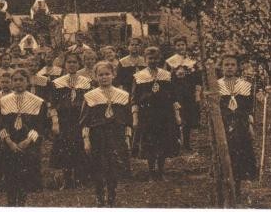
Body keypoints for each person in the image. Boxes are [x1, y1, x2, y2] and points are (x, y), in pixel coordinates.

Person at [80, 61, 132, 207]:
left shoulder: (123, 95)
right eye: (100, 75)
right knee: (98, 166)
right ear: (95, 77)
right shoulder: (90, 96)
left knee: (113, 166)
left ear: (113, 75)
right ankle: (99, 196)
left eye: (107, 74)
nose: (104, 77)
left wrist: (127, 138)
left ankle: (112, 195)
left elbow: (128, 120)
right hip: (98, 136)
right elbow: (84, 121)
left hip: (116, 135)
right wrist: (86, 140)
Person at [0, 68, 48, 206]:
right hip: (9, 144)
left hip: (28, 145)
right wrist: (9, 142)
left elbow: (40, 126)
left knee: (24, 178)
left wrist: (27, 141)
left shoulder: (38, 102)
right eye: (15, 80)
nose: (18, 82)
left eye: (21, 80)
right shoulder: (4, 101)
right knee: (10, 177)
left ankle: (22, 204)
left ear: (27, 82)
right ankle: (11, 203)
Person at [132, 46, 181, 181]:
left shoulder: (166, 75)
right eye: (150, 58)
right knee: (150, 144)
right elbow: (134, 99)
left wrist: (177, 115)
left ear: (159, 59)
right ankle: (151, 172)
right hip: (147, 115)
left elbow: (174, 96)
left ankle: (161, 171)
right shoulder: (139, 76)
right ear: (145, 59)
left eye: (155, 58)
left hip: (164, 114)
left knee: (163, 143)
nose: (153, 61)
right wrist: (135, 117)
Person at [219, 54, 258, 199]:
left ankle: (237, 187)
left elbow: (249, 109)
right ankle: (224, 187)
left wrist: (250, 126)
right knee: (225, 154)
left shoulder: (245, 85)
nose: (229, 67)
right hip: (223, 125)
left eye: (232, 65)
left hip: (240, 126)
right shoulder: (216, 85)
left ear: (237, 67)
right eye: (226, 65)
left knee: (239, 156)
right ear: (221, 67)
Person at [49, 52, 91, 189]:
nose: (72, 65)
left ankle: (80, 178)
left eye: (74, 62)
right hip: (64, 121)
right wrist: (55, 122)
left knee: (80, 147)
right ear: (64, 64)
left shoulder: (87, 83)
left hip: (80, 120)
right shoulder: (57, 83)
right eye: (69, 62)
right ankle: (66, 180)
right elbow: (53, 105)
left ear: (79, 64)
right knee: (64, 148)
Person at [165, 38, 202, 150]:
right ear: (175, 47)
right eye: (178, 45)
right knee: (176, 117)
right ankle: (175, 143)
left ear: (186, 46)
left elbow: (198, 78)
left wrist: (197, 93)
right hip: (175, 92)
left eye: (182, 44)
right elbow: (166, 78)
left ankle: (186, 143)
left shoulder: (192, 61)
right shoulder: (169, 61)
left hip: (189, 93)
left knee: (188, 118)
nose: (181, 47)